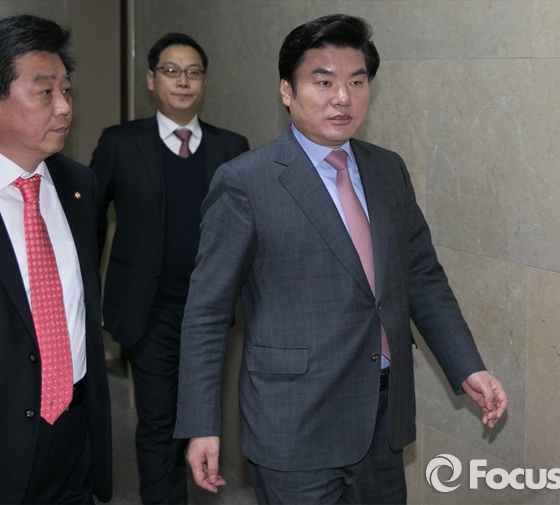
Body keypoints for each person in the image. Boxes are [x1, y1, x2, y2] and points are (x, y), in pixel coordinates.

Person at [175, 13, 508, 504]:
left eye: (356, 81)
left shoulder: (387, 170)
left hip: (382, 416)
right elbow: (207, 311)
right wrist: (202, 423)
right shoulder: (247, 181)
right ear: (287, 91)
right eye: (323, 81)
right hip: (294, 423)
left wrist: (467, 365)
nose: (343, 98)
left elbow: (421, 276)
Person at [89, 32, 249, 504]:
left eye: (193, 72)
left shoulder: (231, 147)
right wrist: (87, 296)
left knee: (199, 419)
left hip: (210, 313)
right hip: (148, 309)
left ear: (204, 82)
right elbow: (88, 224)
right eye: (172, 71)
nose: (183, 81)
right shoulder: (120, 143)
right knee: (159, 422)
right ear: (151, 79)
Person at [0, 15, 112, 504]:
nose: (65, 107)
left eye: (66, 90)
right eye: (45, 92)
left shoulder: (78, 185)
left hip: (74, 436)